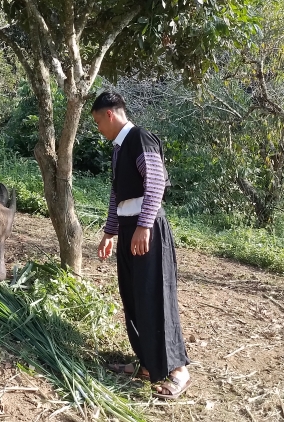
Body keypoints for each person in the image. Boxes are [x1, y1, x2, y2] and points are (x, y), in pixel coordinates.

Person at [92, 91, 192, 400]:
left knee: (155, 296)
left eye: (97, 122)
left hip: (145, 230)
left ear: (110, 114)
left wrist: (144, 225)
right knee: (133, 297)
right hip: (127, 229)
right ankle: (148, 363)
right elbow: (116, 194)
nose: (98, 129)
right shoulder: (119, 149)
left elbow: (156, 182)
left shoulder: (141, 138)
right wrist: (110, 233)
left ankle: (177, 371)